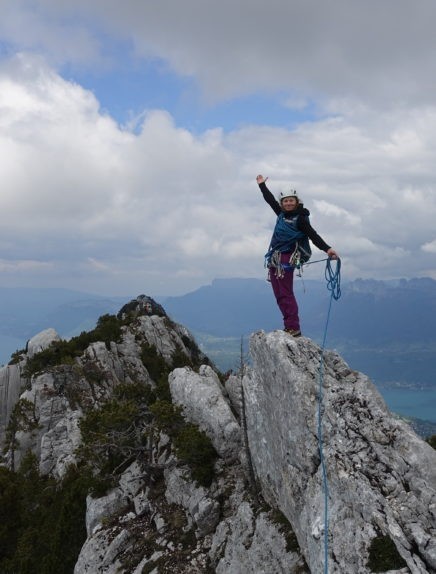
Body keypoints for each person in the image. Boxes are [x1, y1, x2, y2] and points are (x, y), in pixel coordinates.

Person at [256, 174, 338, 337]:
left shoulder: (300, 219)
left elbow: (312, 235)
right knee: (279, 293)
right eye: (285, 201)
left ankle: (294, 327)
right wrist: (262, 186)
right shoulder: (280, 214)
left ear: (296, 201)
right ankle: (288, 325)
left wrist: (327, 249)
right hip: (275, 257)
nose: (288, 203)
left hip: (288, 256)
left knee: (286, 292)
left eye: (291, 200)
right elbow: (270, 200)